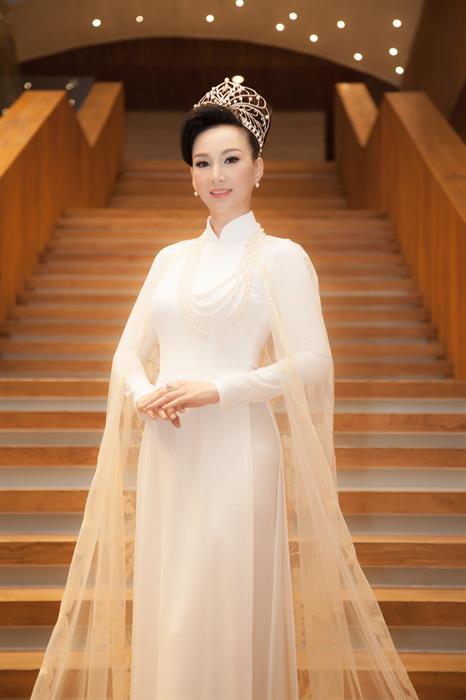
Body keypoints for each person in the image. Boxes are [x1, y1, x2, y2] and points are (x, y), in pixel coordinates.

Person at [30, 78, 419, 700]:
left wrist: (219, 388)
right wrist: (144, 395)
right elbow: (127, 354)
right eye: (202, 162)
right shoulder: (169, 259)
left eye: (231, 159)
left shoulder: (282, 258)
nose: (216, 175)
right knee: (172, 606)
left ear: (258, 168)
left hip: (239, 449)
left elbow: (314, 362)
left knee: (227, 603)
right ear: (190, 175)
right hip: (169, 449)